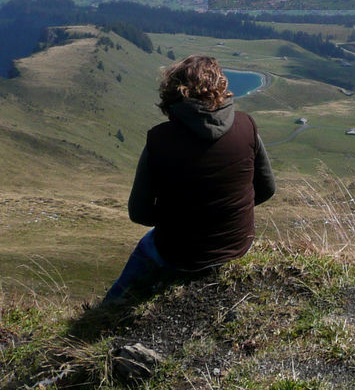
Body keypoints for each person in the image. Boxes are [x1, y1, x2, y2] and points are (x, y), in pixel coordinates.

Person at [102, 54, 275, 304]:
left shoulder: (159, 140)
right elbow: (267, 189)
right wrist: (227, 211)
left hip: (180, 254)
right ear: (220, 87)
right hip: (238, 243)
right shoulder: (246, 125)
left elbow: (138, 213)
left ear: (173, 94)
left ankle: (106, 311)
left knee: (144, 249)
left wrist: (179, 219)